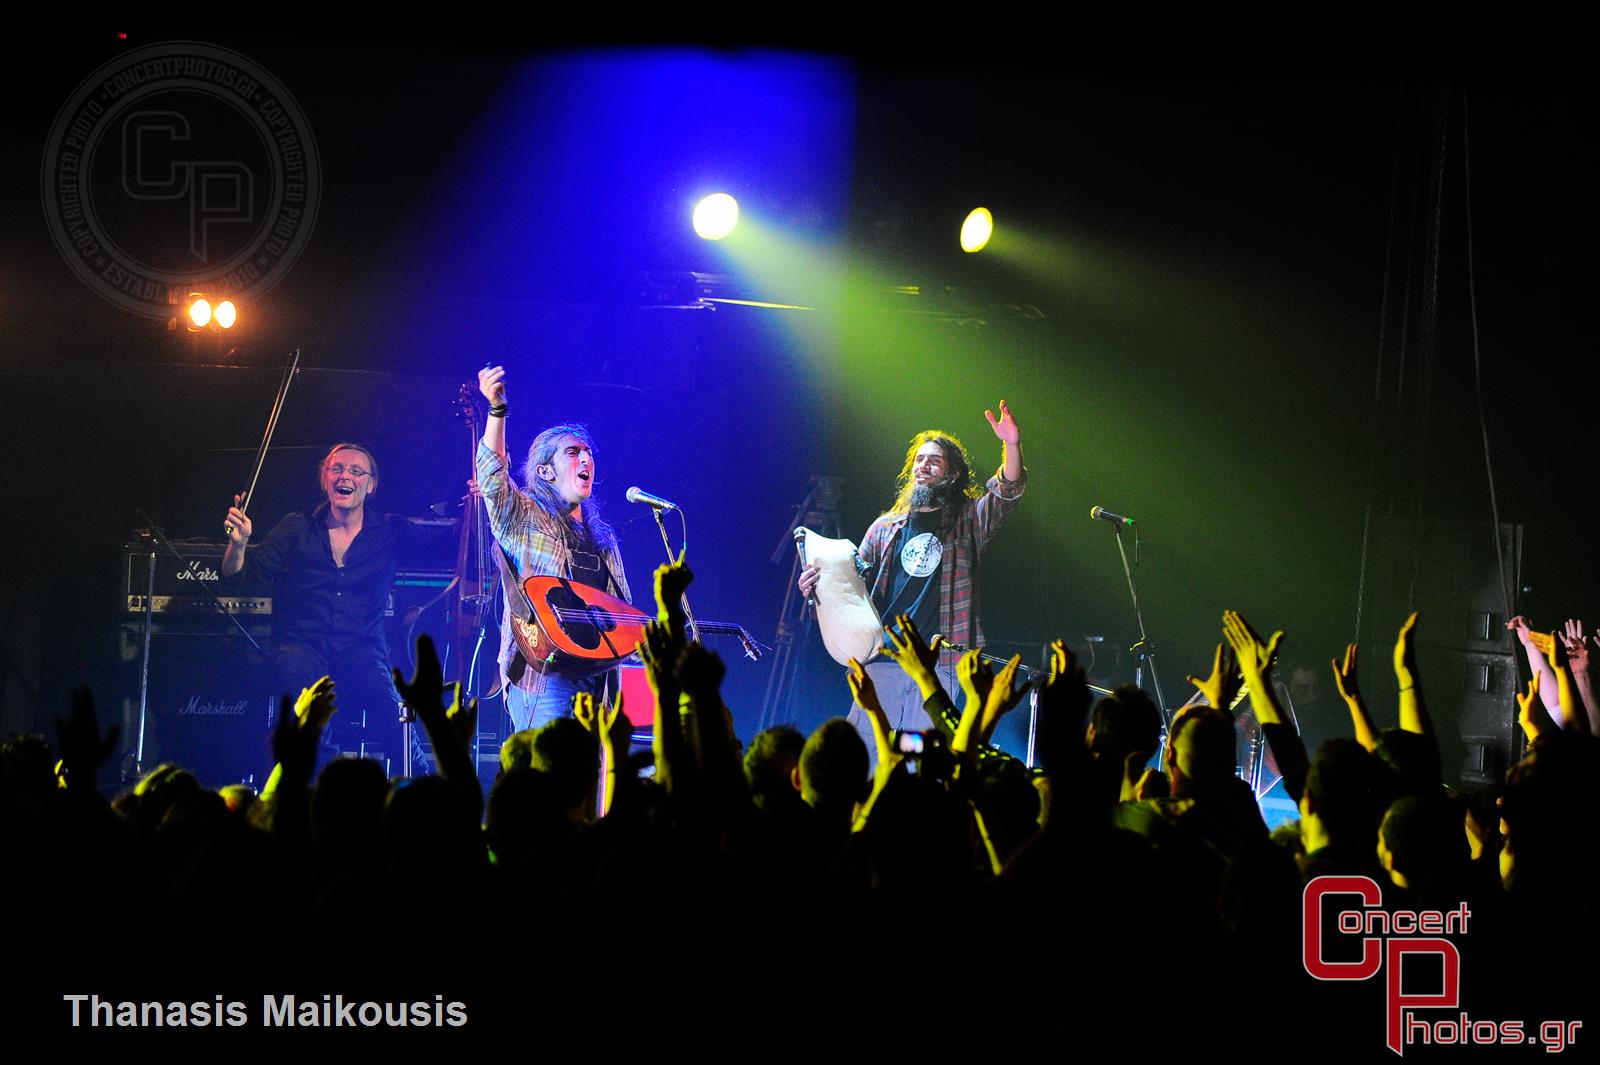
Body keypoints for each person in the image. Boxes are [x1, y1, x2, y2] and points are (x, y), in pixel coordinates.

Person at [800, 402, 1025, 749]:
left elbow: (1005, 494)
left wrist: (1011, 444)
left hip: (939, 665)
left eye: (934, 460)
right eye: (919, 460)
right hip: (883, 659)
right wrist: (816, 591)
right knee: (868, 753)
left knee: (922, 760)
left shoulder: (967, 521)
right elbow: (849, 591)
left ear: (952, 474)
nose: (924, 466)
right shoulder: (884, 528)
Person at [221, 443, 407, 769]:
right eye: (337, 469)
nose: (345, 476)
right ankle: (323, 783)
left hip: (361, 648)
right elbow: (239, 576)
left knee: (394, 711)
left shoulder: (391, 531)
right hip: (300, 646)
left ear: (371, 484)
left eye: (356, 471)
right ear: (324, 479)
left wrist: (481, 499)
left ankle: (420, 784)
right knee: (310, 710)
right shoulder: (297, 527)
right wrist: (239, 545)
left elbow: (452, 543)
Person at [475, 364, 632, 732]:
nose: (586, 459)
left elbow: (619, 611)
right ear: (545, 471)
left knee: (590, 769)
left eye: (588, 453)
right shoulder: (523, 517)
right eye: (573, 452)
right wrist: (497, 410)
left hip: (599, 681)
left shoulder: (603, 538)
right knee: (552, 766)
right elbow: (492, 478)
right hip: (545, 675)